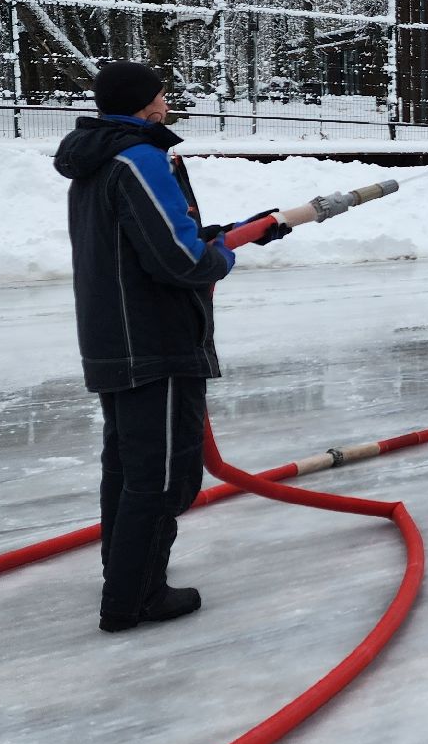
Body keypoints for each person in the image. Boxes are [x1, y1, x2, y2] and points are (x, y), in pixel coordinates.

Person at [54, 62, 289, 633]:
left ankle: (126, 574)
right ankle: (135, 598)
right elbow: (181, 261)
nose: (168, 106)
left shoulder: (100, 160)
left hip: (120, 341)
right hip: (154, 342)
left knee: (130, 468)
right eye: (162, 97)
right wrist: (221, 255)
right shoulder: (141, 158)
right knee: (163, 477)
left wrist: (241, 230)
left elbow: (162, 237)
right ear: (143, 105)